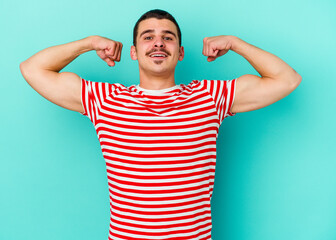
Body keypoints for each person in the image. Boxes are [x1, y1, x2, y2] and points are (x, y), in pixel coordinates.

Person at [20, 9, 301, 240]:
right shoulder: (105, 100)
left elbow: (287, 79)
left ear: (179, 52)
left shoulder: (210, 96)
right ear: (133, 52)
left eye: (168, 38)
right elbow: (32, 69)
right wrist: (88, 42)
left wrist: (236, 43)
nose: (158, 43)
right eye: (148, 37)